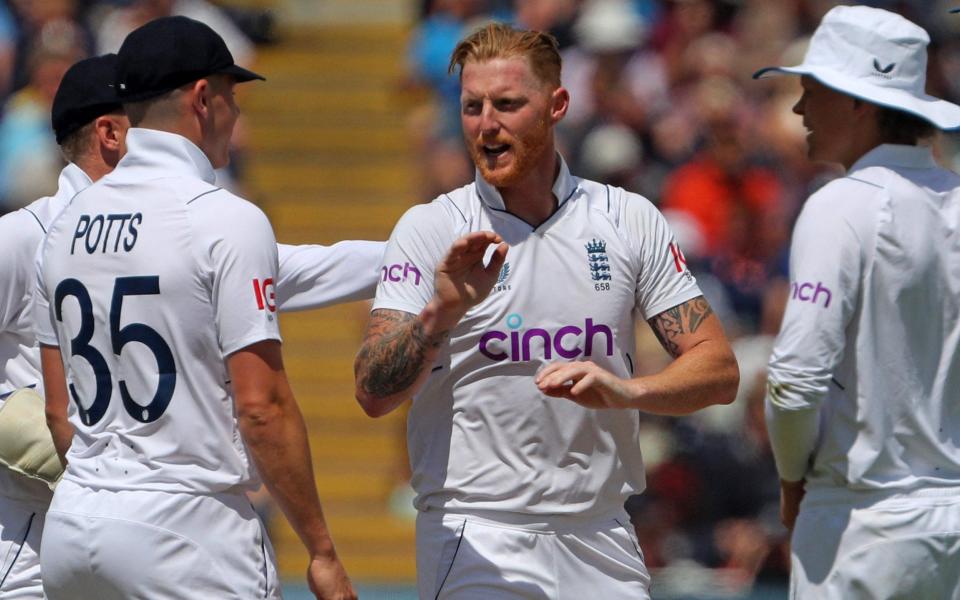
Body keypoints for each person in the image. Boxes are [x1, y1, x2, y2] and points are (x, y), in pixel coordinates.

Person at [354, 22, 739, 598]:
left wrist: (629, 392)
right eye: (472, 106)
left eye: (508, 104)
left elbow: (719, 370)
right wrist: (441, 314)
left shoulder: (626, 218)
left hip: (601, 533)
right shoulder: (431, 228)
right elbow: (372, 391)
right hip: (477, 532)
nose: (487, 124)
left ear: (557, 104)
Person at [0, 50, 382, 598]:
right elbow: (262, 402)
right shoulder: (24, 236)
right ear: (110, 133)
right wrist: (8, 417)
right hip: (42, 540)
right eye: (142, 115)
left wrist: (423, 247)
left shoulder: (94, 231)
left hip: (77, 526)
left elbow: (299, 267)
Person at [756, 6, 960, 598]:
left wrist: (792, 478)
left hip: (862, 527)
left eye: (812, 90)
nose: (798, 109)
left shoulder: (839, 204)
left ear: (859, 102)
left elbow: (793, 381)